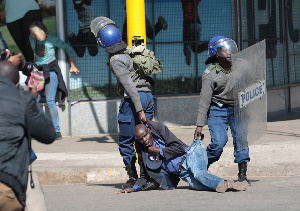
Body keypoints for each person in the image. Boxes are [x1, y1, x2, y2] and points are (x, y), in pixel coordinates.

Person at [90, 17, 155, 188]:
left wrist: (139, 109)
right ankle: (148, 175)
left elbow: (129, 85)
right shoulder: (129, 52)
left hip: (135, 101)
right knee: (145, 138)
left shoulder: (115, 60)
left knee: (127, 140)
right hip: (148, 95)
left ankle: (134, 177)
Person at [117, 121, 249, 194]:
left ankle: (224, 183)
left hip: (191, 154)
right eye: (141, 139)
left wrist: (159, 151)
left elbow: (179, 147)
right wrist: (134, 188)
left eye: (145, 135)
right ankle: (230, 184)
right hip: (183, 172)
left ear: (149, 131)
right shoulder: (144, 153)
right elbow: (144, 175)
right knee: (200, 185)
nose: (144, 140)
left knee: (199, 173)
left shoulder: (159, 130)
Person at [0, 61, 56, 211]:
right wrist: (33, 101)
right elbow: (49, 135)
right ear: (17, 84)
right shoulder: (22, 98)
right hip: (9, 181)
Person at [194, 36, 251, 183]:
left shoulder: (242, 66)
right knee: (219, 142)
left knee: (241, 139)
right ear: (216, 53)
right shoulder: (210, 74)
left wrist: (245, 89)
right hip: (217, 109)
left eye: (230, 48)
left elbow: (254, 80)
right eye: (225, 50)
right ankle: (200, 166)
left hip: (238, 108)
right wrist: (199, 125)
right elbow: (204, 100)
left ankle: (242, 175)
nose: (229, 52)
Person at [29, 21, 80, 140]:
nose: (31, 35)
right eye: (31, 33)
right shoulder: (31, 38)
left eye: (33, 34)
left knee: (50, 101)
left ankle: (57, 131)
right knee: (32, 101)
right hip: (37, 72)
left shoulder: (52, 39)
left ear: (40, 33)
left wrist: (72, 65)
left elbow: (68, 48)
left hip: (50, 72)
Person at [181, 0, 208, 65]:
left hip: (188, 23)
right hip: (197, 24)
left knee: (186, 44)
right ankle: (209, 44)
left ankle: (187, 49)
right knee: (195, 48)